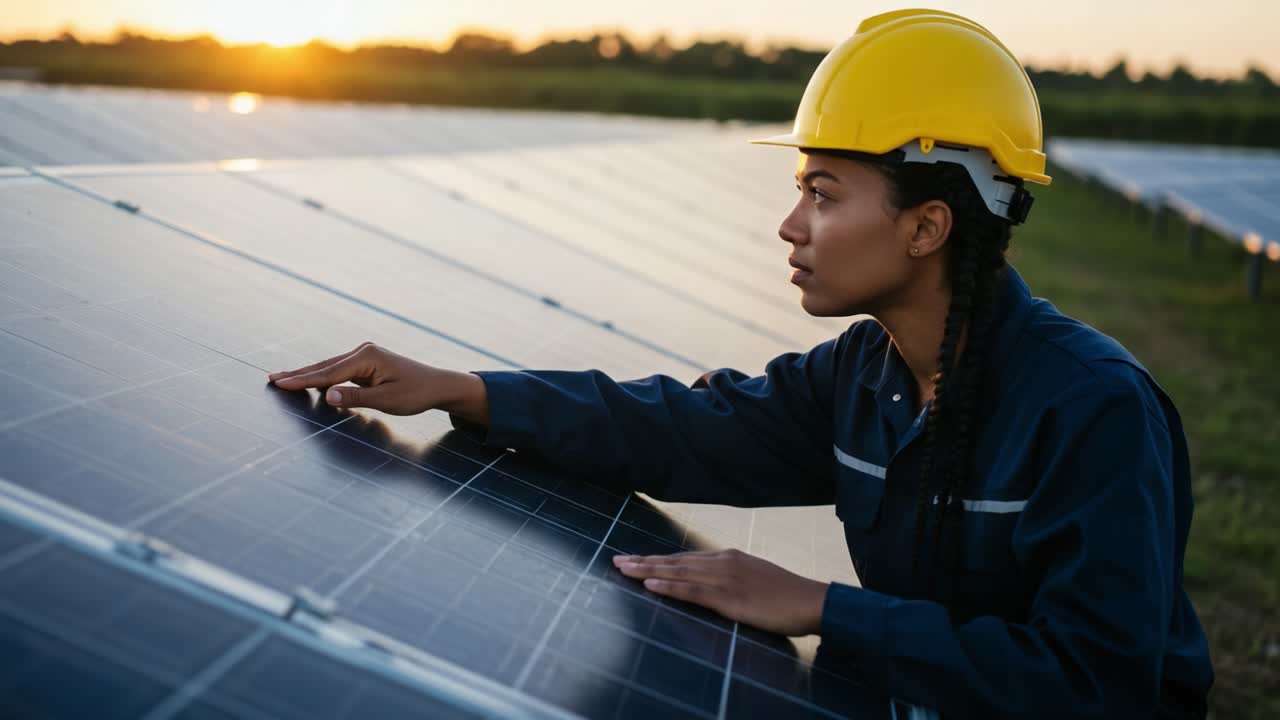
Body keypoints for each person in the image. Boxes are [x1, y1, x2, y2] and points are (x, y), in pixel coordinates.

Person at [268, 9, 1213, 718]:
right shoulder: (863, 375)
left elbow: (1102, 683)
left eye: (825, 194)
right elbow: (678, 428)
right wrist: (465, 392)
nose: (790, 225)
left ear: (928, 226)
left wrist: (823, 609)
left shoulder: (1092, 411)